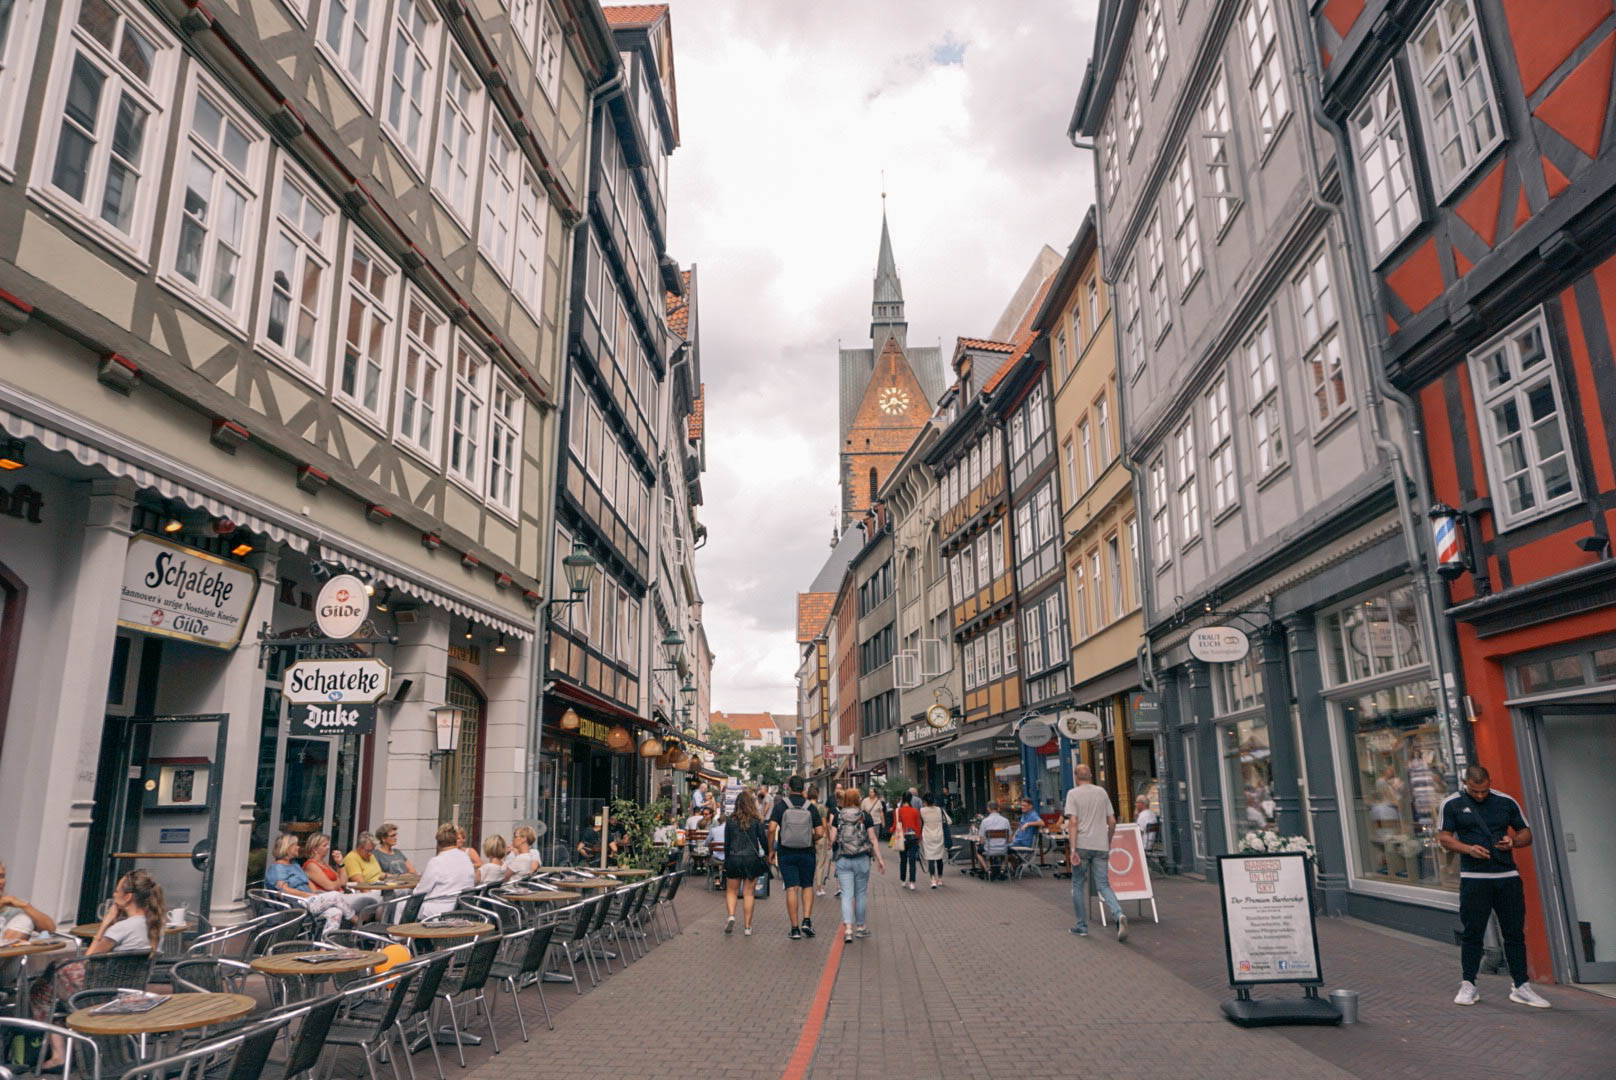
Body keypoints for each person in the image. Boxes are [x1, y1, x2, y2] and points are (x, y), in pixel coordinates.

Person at [1439, 764, 1550, 1008]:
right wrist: (1468, 849)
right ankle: (1468, 984)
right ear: (1465, 783)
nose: (1480, 795)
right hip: (1474, 878)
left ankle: (1521, 986)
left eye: (1484, 790)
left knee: (1514, 933)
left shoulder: (1505, 801)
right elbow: (1444, 838)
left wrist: (1513, 841)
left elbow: (1526, 834)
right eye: (1475, 791)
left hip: (1507, 876)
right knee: (1472, 933)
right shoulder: (1452, 803)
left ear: (1490, 782)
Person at [31, 870, 163, 1071]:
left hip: (96, 994)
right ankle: (68, 1051)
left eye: (117, 891)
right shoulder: (155, 926)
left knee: (43, 990)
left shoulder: (121, 928)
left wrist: (105, 924)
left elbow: (88, 960)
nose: (113, 895)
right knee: (53, 983)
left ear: (127, 897)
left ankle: (58, 1054)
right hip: (129, 993)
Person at [1066, 766, 1126, 941]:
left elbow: (1073, 822)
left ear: (1076, 777)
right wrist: (1108, 840)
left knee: (1077, 885)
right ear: (1091, 775)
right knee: (1103, 884)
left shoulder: (1073, 794)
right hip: (1101, 845)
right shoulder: (1102, 792)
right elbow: (1112, 821)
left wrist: (1072, 849)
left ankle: (1081, 926)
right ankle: (1118, 913)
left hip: (1082, 845)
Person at [266, 833, 363, 932]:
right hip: (296, 905)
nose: (298, 847)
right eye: (295, 845)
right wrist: (308, 895)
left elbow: (307, 882)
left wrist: (316, 894)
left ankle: (325, 945)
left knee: (335, 912)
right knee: (334, 895)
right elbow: (284, 890)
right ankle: (357, 922)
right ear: (287, 848)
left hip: (309, 900)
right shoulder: (278, 868)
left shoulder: (294, 864)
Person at [769, 774, 824, 939]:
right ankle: (806, 921)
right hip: (807, 852)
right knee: (807, 885)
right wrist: (810, 839)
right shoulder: (811, 807)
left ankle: (794, 929)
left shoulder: (781, 806)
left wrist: (771, 849)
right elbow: (820, 832)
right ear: (804, 789)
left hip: (786, 852)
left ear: (790, 788)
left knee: (791, 888)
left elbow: (771, 829)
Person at [830, 787, 884, 942]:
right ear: (858, 799)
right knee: (860, 894)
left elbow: (832, 838)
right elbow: (873, 839)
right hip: (862, 859)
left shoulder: (838, 816)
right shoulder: (865, 816)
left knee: (846, 895)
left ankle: (848, 929)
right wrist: (880, 858)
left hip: (843, 859)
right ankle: (860, 927)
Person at [302, 833, 380, 922]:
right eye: (324, 845)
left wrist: (340, 863)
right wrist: (338, 881)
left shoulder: (325, 864)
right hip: (332, 899)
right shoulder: (311, 865)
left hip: (341, 895)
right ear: (315, 849)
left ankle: (359, 927)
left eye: (328, 845)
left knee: (374, 901)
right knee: (373, 899)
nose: (328, 847)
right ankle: (359, 925)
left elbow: (343, 882)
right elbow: (330, 886)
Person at [723, 791, 769, 936]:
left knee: (732, 891)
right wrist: (768, 853)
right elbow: (762, 839)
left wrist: (727, 859)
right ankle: (747, 927)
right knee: (749, 894)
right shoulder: (756, 820)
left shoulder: (730, 820)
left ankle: (731, 915)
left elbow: (727, 842)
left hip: (734, 857)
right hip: (751, 858)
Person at [414, 823, 477, 918]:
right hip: (462, 906)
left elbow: (421, 890)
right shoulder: (465, 857)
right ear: (455, 841)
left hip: (438, 909)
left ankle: (398, 932)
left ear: (438, 842)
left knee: (400, 905)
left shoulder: (436, 861)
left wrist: (412, 893)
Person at [0, 859, 57, 942]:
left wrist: (25, 906)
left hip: (8, 951)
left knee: (25, 919)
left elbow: (50, 929)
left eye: (2, 876)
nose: (1, 881)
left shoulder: (11, 904)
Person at [919, 792, 952, 888]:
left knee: (930, 859)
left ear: (925, 801)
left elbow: (920, 823)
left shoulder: (922, 810)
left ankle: (933, 880)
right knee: (939, 858)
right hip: (939, 836)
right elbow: (949, 821)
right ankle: (940, 879)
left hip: (928, 837)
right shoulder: (939, 810)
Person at [975, 802, 1013, 878]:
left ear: (988, 809)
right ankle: (1002, 869)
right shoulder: (1005, 820)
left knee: (978, 852)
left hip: (989, 849)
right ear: (998, 808)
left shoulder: (985, 821)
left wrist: (981, 843)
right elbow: (1010, 839)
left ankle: (987, 869)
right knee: (1006, 851)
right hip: (1003, 849)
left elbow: (981, 841)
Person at [895, 791, 922, 891]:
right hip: (913, 838)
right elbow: (918, 826)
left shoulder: (898, 811)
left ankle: (903, 880)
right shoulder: (915, 811)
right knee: (912, 861)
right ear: (911, 799)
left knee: (903, 860)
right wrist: (919, 838)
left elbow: (895, 825)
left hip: (902, 838)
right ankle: (912, 882)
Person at [815, 786, 837, 897]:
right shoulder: (820, 808)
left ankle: (807, 885)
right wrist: (828, 839)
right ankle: (819, 888)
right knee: (820, 863)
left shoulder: (805, 807)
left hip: (806, 838)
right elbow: (824, 825)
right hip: (820, 837)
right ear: (817, 794)